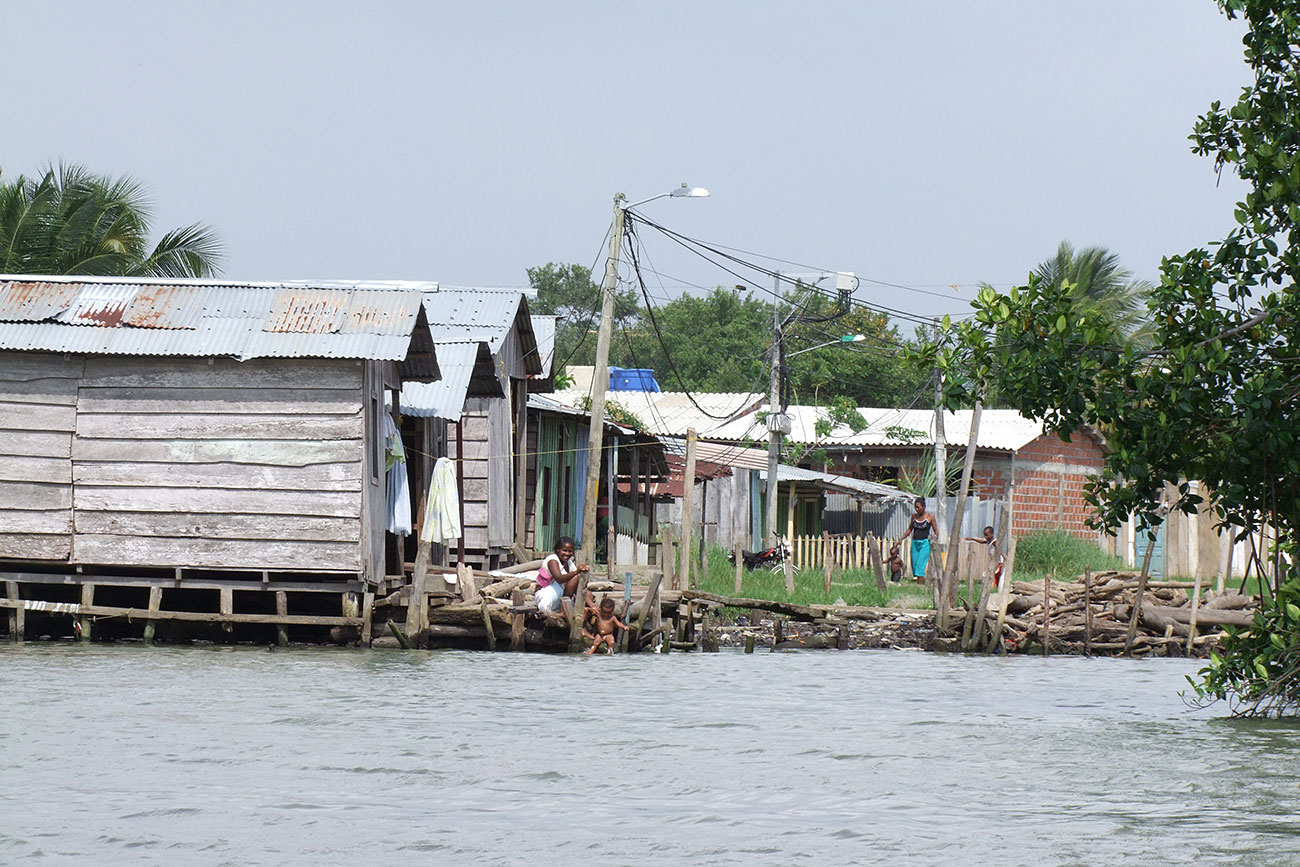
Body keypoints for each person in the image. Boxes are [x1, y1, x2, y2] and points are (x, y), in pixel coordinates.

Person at [534, 536, 588, 613]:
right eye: (564, 550)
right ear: (558, 550)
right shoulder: (552, 560)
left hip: (558, 597)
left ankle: (563, 609)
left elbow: (577, 582)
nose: (567, 554)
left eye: (570, 551)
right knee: (575, 577)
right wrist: (576, 572)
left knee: (578, 581)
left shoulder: (569, 563)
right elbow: (559, 578)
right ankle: (563, 610)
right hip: (545, 596)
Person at [899, 497, 939, 584]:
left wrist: (935, 539)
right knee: (914, 563)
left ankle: (919, 585)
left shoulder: (930, 517)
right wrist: (902, 538)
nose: (916, 509)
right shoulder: (914, 517)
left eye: (918, 507)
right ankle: (919, 580)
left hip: (924, 543)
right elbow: (910, 529)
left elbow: (936, 530)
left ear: (923, 506)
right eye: (915, 507)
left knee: (920, 564)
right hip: (915, 542)